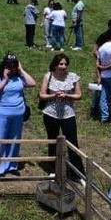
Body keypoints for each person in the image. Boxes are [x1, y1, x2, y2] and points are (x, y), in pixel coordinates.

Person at [39, 52, 83, 181]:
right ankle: (52, 170)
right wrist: (54, 95)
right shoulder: (48, 76)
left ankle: (78, 174)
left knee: (72, 142)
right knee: (53, 141)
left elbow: (79, 95)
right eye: (61, 64)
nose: (63, 66)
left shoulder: (73, 77)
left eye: (65, 64)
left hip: (68, 114)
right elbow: (42, 94)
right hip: (51, 113)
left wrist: (67, 95)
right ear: (55, 65)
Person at [0, 53, 33, 175]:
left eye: (14, 66)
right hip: (1, 115)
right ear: (4, 65)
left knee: (14, 141)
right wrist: (5, 80)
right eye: (8, 66)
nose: (11, 68)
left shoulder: (19, 77)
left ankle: (12, 165)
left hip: (18, 114)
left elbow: (32, 83)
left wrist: (21, 70)